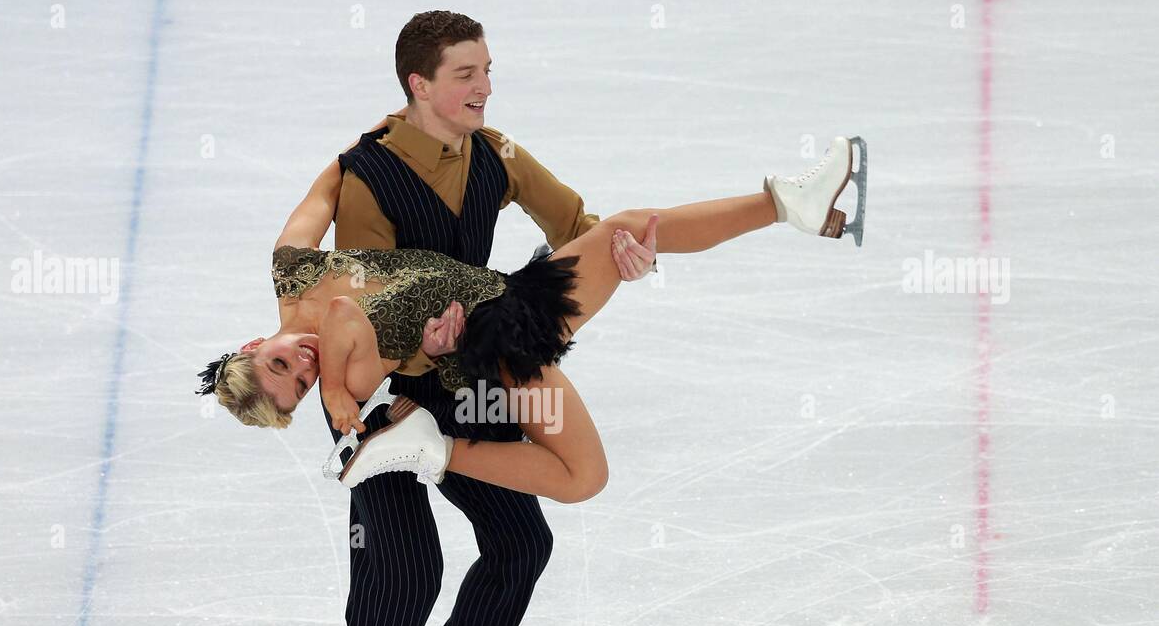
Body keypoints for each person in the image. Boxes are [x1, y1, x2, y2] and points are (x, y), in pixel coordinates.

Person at [202, 11, 657, 626]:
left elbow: (577, 228)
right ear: (422, 85)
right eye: (466, 74)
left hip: (463, 362)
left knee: (523, 539)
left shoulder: (497, 154)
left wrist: (621, 252)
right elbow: (349, 285)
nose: (484, 87)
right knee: (404, 566)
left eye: (487, 72)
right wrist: (352, 398)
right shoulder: (367, 177)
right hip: (370, 390)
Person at [202, 132, 866, 504]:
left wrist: (359, 154)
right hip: (495, 340)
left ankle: (795, 207)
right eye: (301, 384)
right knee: (585, 477)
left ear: (255, 342)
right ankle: (790, 207)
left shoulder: (292, 269)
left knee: (628, 231)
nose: (307, 364)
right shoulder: (342, 367)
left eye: (283, 362)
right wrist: (342, 388)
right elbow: (350, 314)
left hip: (500, 293)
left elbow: (328, 188)